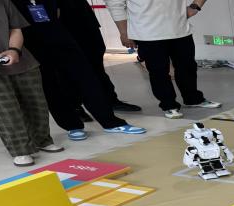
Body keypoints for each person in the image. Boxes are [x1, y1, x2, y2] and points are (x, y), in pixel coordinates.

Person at [11, 0, 146, 141]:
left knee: (86, 77)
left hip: (60, 35)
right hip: (30, 41)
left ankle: (110, 122)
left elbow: (58, 11)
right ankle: (72, 125)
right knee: (50, 84)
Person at [0, 0, 63, 167]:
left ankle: (42, 140)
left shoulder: (3, 2)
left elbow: (16, 29)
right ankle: (20, 150)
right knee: (4, 108)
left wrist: (14, 50)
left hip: (19, 60)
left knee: (36, 103)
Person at [105, 0, 221, 119]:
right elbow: (115, 5)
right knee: (158, 71)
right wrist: (124, 32)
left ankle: (193, 99)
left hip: (180, 29)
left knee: (187, 67)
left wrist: (195, 6)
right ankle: (169, 105)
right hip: (147, 33)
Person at [57, 0, 142, 114]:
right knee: (69, 68)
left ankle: (109, 100)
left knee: (96, 64)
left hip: (85, 21)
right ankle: (74, 106)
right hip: (62, 25)